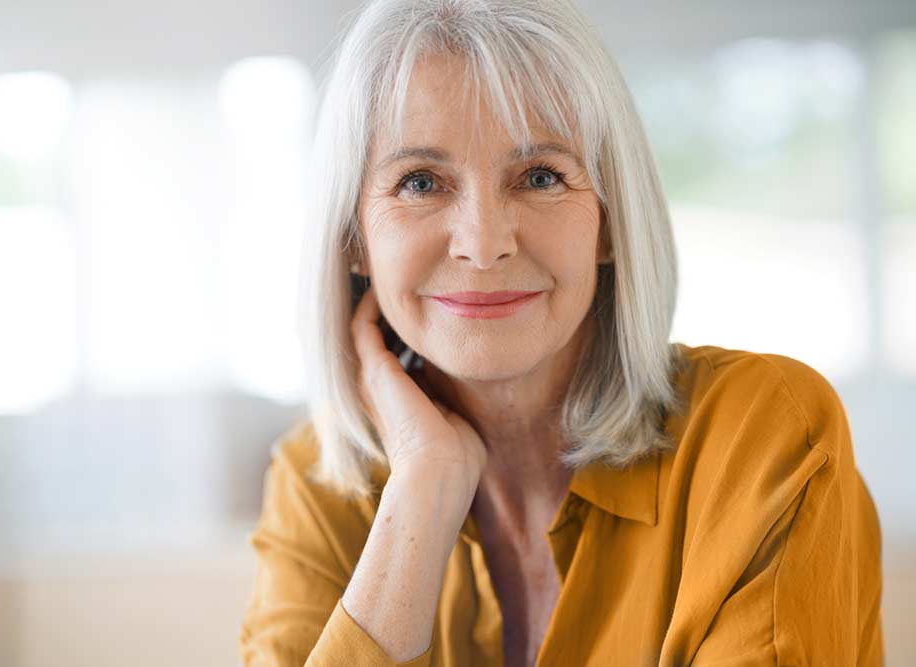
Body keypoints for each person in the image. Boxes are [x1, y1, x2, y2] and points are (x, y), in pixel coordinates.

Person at [239, 0, 884, 665]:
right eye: (421, 181)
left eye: (541, 176)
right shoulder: (317, 483)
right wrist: (426, 484)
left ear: (609, 221)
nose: (484, 243)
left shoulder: (763, 435)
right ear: (354, 241)